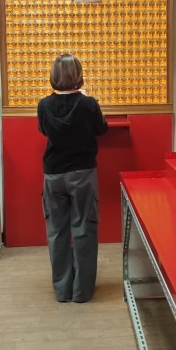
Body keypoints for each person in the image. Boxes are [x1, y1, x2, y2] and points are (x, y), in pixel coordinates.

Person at [37, 54, 108, 303]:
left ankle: (62, 290)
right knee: (84, 229)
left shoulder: (44, 105)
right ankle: (82, 292)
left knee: (56, 232)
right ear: (78, 75)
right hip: (82, 173)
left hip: (53, 174)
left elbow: (44, 130)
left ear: (54, 76)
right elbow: (101, 129)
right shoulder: (88, 104)